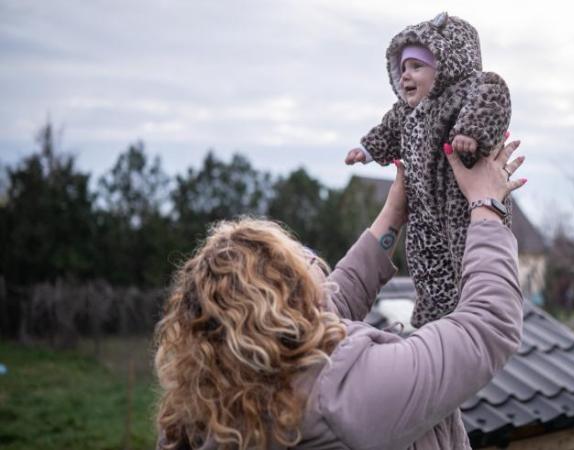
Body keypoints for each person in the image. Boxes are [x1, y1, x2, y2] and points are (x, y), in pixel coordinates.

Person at [154, 139, 527, 449]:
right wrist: (486, 204)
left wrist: (394, 213)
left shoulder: (209, 402)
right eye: (306, 260)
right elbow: (487, 326)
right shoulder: (346, 395)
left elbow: (332, 304)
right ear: (288, 299)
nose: (318, 265)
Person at [344, 12, 513, 328]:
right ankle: (432, 317)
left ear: (446, 67)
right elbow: (388, 131)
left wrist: (470, 132)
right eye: (403, 68)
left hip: (464, 199)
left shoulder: (470, 88)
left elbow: (492, 99)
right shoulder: (405, 113)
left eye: (417, 67)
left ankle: (476, 313)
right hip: (423, 209)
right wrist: (366, 150)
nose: (406, 76)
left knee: (469, 256)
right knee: (426, 263)